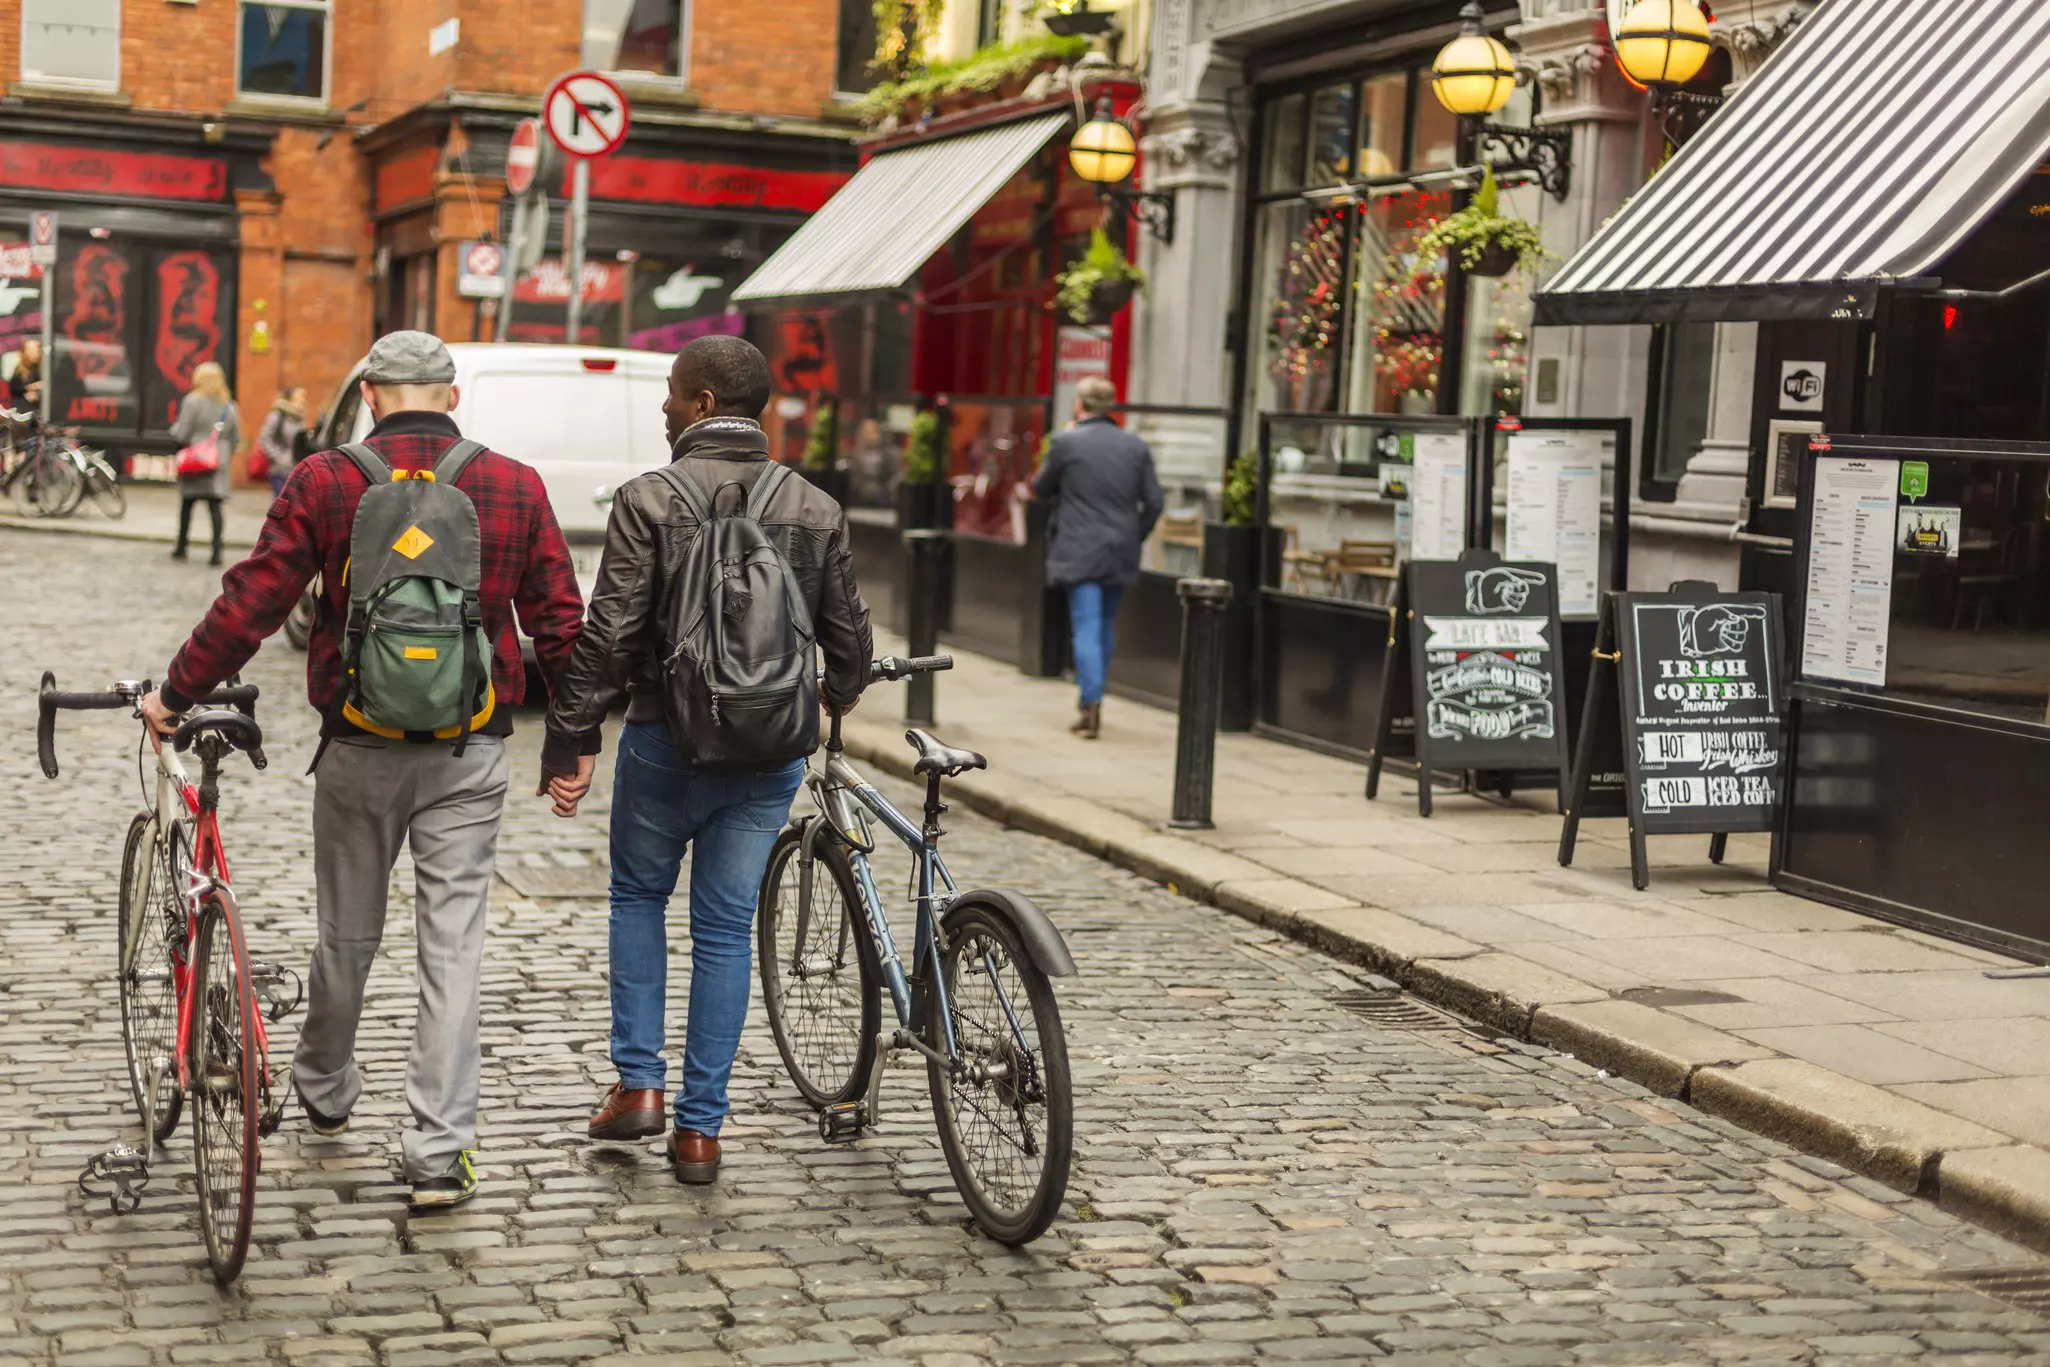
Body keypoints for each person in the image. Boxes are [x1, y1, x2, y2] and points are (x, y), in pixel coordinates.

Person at [138, 331, 585, 1210]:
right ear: (452, 395)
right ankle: (436, 1153)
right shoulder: (513, 484)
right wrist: (571, 743)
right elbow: (560, 623)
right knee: (453, 948)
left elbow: (255, 600)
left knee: (347, 936)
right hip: (472, 746)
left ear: (373, 395)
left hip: (357, 742)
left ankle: (325, 1084)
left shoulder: (325, 478)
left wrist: (179, 691)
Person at [539, 335, 872, 1185]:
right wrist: (826, 698)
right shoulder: (815, 506)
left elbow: (608, 633)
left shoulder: (651, 496)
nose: (660, 405)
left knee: (638, 898)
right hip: (768, 760)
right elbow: (851, 646)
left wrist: (571, 740)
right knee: (723, 930)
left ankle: (639, 1084)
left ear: (699, 405)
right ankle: (700, 1131)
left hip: (665, 740)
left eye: (669, 392)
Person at [1032, 375, 1163, 739]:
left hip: (1079, 546)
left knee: (1087, 625)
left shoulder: (1067, 441)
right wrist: (1135, 534)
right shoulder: (1135, 446)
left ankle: (1090, 704)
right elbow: (1154, 502)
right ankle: (1094, 696)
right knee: (1104, 624)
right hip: (1120, 547)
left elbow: (1040, 488)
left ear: (1079, 404)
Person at [170, 361, 238, 567]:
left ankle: (182, 546)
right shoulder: (230, 406)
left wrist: (174, 431)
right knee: (215, 506)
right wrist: (223, 453)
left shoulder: (192, 401)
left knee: (187, 504)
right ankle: (216, 551)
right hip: (218, 459)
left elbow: (182, 432)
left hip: (195, 458)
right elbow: (236, 438)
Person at [257, 385, 307, 497]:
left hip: (297, 469)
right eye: (300, 396)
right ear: (291, 398)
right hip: (280, 470)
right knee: (281, 506)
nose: (303, 399)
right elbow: (264, 438)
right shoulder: (278, 415)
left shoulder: (300, 416)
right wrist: (279, 458)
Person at [6, 338, 42, 411]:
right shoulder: (20, 368)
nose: (36, 353)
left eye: (38, 350)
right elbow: (14, 389)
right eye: (32, 351)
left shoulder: (45, 368)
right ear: (25, 352)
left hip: (40, 407)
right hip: (23, 408)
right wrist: (29, 388)